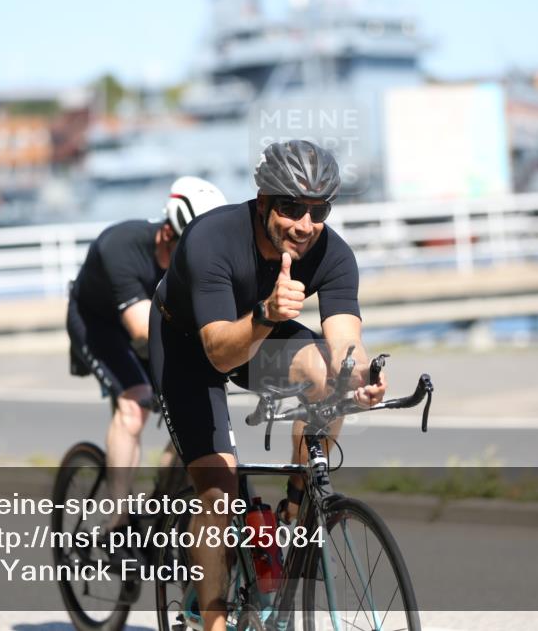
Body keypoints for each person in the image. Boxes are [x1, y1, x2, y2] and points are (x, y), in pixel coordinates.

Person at [149, 140, 387, 631]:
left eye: (318, 209)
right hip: (190, 345)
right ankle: (213, 620)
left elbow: (346, 343)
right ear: (263, 204)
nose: (304, 223)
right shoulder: (212, 240)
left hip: (262, 329)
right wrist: (265, 312)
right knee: (219, 489)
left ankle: (294, 512)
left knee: (329, 377)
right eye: (291, 207)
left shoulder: (331, 253)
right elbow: (219, 353)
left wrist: (361, 378)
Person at [67, 176, 226, 524]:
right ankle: (117, 518)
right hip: (99, 326)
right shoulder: (120, 245)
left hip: (158, 328)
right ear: (168, 233)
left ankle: (162, 506)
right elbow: (142, 330)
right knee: (134, 405)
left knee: (196, 419)